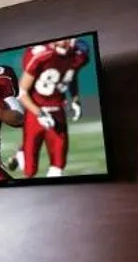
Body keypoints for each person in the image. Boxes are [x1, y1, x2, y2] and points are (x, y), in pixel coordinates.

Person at [13, 37, 91, 178]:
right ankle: (21, 152)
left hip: (57, 108)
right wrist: (39, 113)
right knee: (30, 169)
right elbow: (22, 92)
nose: (65, 42)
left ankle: (21, 152)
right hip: (36, 109)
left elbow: (71, 75)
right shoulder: (40, 55)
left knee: (58, 164)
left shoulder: (79, 54)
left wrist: (75, 98)